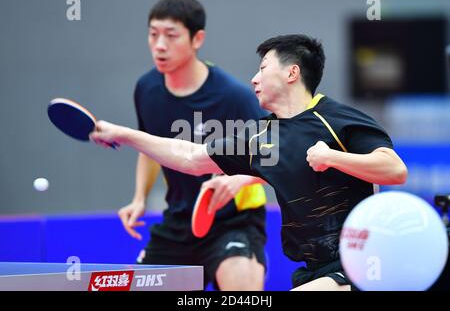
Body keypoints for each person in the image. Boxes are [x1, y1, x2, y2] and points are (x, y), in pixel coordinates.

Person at [91, 34, 408, 291]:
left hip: (359, 263)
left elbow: (394, 170)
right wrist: (124, 134)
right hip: (313, 270)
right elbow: (190, 157)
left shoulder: (336, 119)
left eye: (263, 68)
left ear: (291, 72)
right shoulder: (261, 138)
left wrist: (332, 157)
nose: (254, 78)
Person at [118, 0, 268, 290]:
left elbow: (276, 157)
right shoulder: (146, 89)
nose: (160, 45)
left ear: (197, 39)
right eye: (153, 34)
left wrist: (238, 180)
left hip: (234, 221)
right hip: (178, 220)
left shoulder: (233, 97)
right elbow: (150, 150)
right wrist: (138, 198)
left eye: (171, 36)